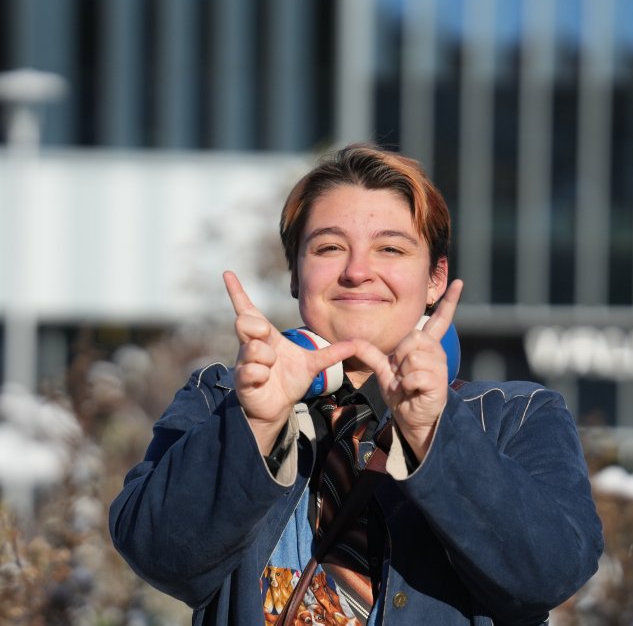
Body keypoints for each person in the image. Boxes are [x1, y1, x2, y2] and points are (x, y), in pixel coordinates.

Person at [109, 144, 602, 625]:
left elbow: (550, 575)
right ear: (295, 278)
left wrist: (434, 434)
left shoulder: (513, 416)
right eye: (329, 247)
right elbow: (160, 556)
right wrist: (255, 424)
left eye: (390, 248)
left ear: (435, 279)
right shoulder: (221, 397)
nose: (358, 272)